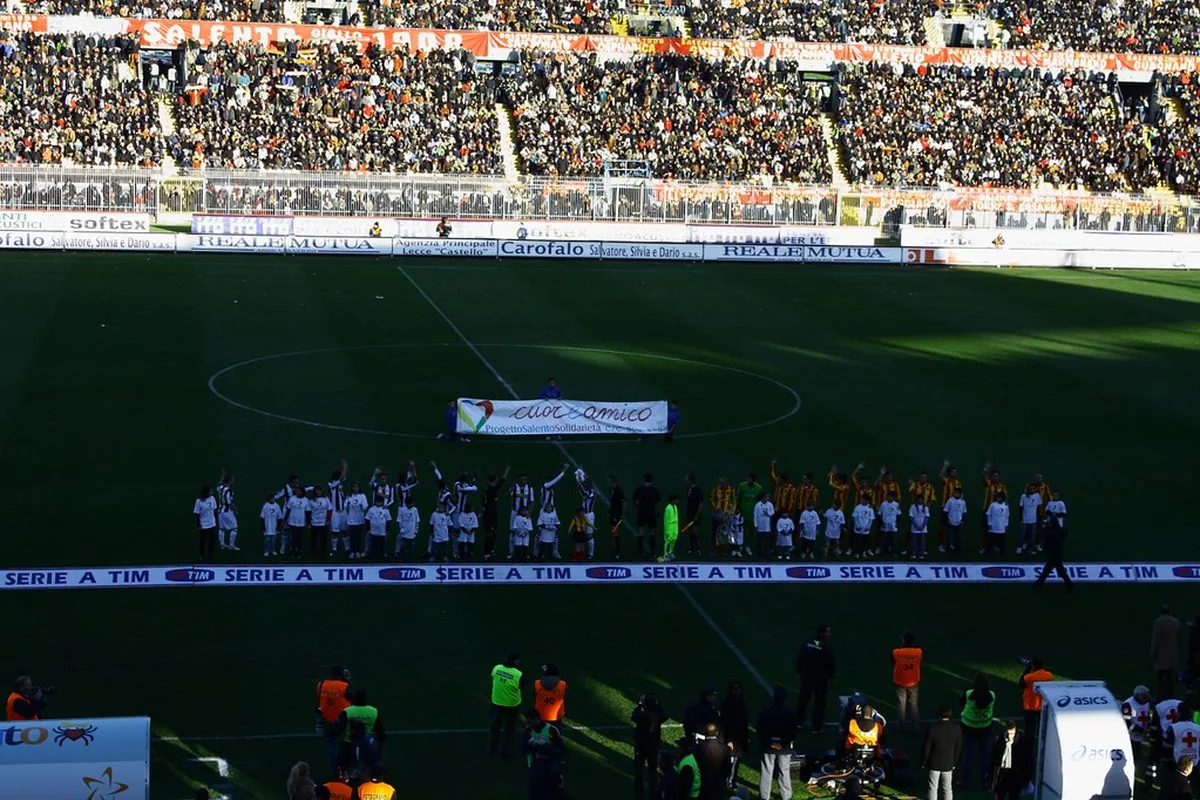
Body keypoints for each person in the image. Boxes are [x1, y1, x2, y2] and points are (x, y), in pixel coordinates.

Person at [757, 686, 798, 800]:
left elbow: (760, 730)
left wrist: (770, 742)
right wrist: (782, 743)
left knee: (766, 770)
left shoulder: (766, 712)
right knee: (784, 771)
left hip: (768, 747)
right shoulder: (789, 713)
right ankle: (786, 796)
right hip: (784, 748)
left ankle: (764, 796)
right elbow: (793, 732)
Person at [796, 624, 836, 734]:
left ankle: (799, 721)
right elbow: (830, 663)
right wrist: (832, 676)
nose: (829, 634)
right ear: (822, 633)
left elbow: (801, 657)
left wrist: (798, 671)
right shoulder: (826, 647)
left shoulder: (808, 642)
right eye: (827, 632)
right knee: (820, 702)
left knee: (803, 699)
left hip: (807, 676)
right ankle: (817, 726)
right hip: (820, 678)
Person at [960, 673, 996, 789]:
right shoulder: (991, 695)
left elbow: (961, 703)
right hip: (985, 728)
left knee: (968, 755)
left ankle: (965, 781)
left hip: (969, 727)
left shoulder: (969, 694)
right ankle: (986, 780)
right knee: (985, 755)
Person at [335, 687, 386, 768]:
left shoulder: (347, 711)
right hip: (367, 744)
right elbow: (380, 733)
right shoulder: (373, 711)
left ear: (354, 698)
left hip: (349, 744)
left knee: (341, 767)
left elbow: (339, 729)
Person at [632, 693, 669, 800]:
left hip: (641, 746)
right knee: (653, 772)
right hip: (653, 746)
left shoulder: (641, 715)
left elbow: (634, 716)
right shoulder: (657, 716)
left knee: (639, 773)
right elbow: (665, 715)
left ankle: (639, 795)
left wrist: (640, 704)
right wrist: (658, 705)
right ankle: (653, 795)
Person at [489, 653, 526, 758]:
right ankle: (505, 751)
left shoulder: (496, 668)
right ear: (516, 661)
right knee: (509, 729)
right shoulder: (518, 674)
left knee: (495, 727)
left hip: (497, 703)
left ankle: (492, 749)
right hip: (511, 706)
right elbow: (523, 685)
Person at [316, 666, 352, 773]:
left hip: (328, 719)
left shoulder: (321, 685)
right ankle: (346, 770)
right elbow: (354, 697)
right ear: (342, 675)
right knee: (347, 745)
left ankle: (335, 771)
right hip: (343, 719)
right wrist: (348, 681)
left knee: (332, 746)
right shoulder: (345, 686)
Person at [923, 704, 962, 800]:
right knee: (947, 788)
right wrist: (954, 762)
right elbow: (958, 748)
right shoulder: (956, 729)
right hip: (948, 763)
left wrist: (924, 762)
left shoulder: (933, 728)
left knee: (933, 787)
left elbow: (927, 748)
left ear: (939, 714)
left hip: (934, 763)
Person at [1033, 502, 1072, 592]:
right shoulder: (1060, 532)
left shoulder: (1049, 533)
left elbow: (1042, 534)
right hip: (1058, 555)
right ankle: (1070, 587)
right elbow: (1064, 531)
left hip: (1052, 556)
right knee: (1060, 573)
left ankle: (1038, 586)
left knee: (1046, 572)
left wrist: (1045, 526)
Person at [989, 722, 1032, 800]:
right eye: (1008, 733)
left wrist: (1026, 778)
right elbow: (994, 758)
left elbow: (1028, 761)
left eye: (1012, 734)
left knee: (1013, 795)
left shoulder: (1022, 743)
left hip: (1016, 773)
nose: (1009, 736)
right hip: (1002, 773)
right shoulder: (1000, 741)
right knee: (1000, 794)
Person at [720, 681, 749, 787]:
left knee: (736, 760)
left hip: (739, 738)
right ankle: (729, 782)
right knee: (731, 761)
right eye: (735, 689)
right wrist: (728, 740)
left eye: (739, 688)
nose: (738, 691)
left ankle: (732, 781)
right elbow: (724, 723)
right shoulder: (727, 703)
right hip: (732, 738)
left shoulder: (741, 701)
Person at [893, 633, 922, 731]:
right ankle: (916, 726)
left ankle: (901, 726)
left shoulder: (897, 652)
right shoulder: (918, 652)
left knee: (901, 704)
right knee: (913, 704)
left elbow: (893, 659)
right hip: (913, 681)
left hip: (900, 681)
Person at [695, 722, 732, 800]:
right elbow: (727, 767)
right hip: (719, 784)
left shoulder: (699, 748)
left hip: (704, 783)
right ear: (717, 733)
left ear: (705, 733)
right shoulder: (724, 748)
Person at [1154, 606, 1182, 702]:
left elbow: (1156, 639)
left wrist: (1153, 653)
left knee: (1161, 677)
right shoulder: (1176, 622)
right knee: (1170, 676)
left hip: (1161, 653)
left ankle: (1160, 695)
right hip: (1172, 653)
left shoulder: (1158, 622)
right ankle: (1170, 695)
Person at [482, 467, 510, 561]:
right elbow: (501, 482)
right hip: (490, 515)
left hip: (491, 514)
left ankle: (491, 549)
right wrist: (506, 471)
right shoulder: (491, 490)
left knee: (493, 533)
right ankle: (486, 552)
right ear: (495, 479)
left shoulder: (488, 488)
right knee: (489, 534)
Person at [1020, 658, 1053, 739]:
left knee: (1029, 729)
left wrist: (1026, 670)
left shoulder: (1029, 677)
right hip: (1042, 705)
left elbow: (1021, 683)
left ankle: (1029, 745)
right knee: (1042, 727)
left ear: (1034, 665)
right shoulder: (1049, 675)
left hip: (1030, 705)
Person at [1123, 685, 1153, 767]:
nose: (1145, 698)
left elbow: (1147, 717)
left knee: (1138, 757)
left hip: (1141, 735)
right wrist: (1139, 729)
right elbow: (1126, 722)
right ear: (1137, 695)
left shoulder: (1146, 703)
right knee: (1133, 757)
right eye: (1144, 696)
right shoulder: (1128, 704)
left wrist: (1148, 726)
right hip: (1131, 736)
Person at [633, 473, 662, 559]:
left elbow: (636, 501)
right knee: (652, 532)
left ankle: (640, 553)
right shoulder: (654, 490)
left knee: (641, 531)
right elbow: (658, 502)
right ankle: (653, 553)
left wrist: (639, 504)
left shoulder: (640, 489)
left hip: (642, 512)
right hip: (651, 513)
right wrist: (658, 512)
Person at [709, 477, 736, 557]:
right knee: (715, 532)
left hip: (726, 515)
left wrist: (731, 512)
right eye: (721, 483)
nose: (722, 484)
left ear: (726, 482)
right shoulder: (715, 490)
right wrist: (716, 508)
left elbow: (734, 501)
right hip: (717, 515)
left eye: (723, 483)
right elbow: (711, 500)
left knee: (725, 533)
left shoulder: (731, 490)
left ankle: (723, 550)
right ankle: (714, 550)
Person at [736, 473, 765, 545]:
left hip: (753, 513)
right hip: (743, 512)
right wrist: (738, 509)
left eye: (751, 480)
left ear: (754, 480)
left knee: (752, 530)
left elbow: (760, 501)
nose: (749, 481)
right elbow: (738, 498)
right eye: (748, 479)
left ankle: (750, 545)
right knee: (741, 529)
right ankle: (740, 545)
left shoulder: (759, 488)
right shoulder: (742, 486)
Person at [285, 486, 312, 559]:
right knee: (293, 538)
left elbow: (308, 513)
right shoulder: (292, 499)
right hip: (292, 522)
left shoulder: (306, 500)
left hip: (301, 522)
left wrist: (308, 523)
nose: (297, 492)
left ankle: (298, 551)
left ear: (302, 492)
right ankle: (293, 551)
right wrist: (285, 520)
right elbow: (288, 510)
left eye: (299, 491)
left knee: (299, 538)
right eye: (296, 491)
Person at [577, 469, 598, 561]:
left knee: (589, 535)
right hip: (584, 515)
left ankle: (590, 554)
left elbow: (582, 492)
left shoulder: (590, 493)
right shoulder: (591, 491)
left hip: (588, 515)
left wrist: (580, 482)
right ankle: (583, 551)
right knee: (584, 534)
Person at [194, 485, 219, 561]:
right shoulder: (199, 501)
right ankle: (202, 555)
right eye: (210, 491)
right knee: (203, 540)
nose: (212, 492)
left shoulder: (212, 498)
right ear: (206, 492)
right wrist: (198, 524)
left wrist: (216, 520)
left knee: (212, 541)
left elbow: (215, 510)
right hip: (203, 524)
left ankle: (210, 555)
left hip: (212, 523)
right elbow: (197, 513)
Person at [216, 471, 239, 551]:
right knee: (234, 528)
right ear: (230, 481)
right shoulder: (228, 490)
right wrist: (235, 510)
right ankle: (232, 545)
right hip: (227, 511)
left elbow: (218, 485)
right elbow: (229, 503)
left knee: (221, 528)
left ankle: (222, 544)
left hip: (220, 511)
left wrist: (222, 476)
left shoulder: (221, 488)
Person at [1016, 484, 1041, 555]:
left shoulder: (1037, 496)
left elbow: (1038, 508)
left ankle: (1030, 549)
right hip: (1025, 519)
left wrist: (1038, 518)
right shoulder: (1023, 496)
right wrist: (1020, 518)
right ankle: (1019, 548)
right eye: (1030, 488)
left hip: (1033, 520)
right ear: (1028, 489)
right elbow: (1020, 508)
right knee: (1022, 535)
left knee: (1032, 536)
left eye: (1033, 488)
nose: (1032, 490)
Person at [364, 496, 391, 562]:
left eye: (380, 502)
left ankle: (381, 557)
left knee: (382, 544)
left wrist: (387, 530)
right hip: (373, 532)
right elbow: (367, 519)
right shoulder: (371, 509)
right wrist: (368, 529)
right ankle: (373, 557)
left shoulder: (385, 510)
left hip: (382, 532)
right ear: (375, 502)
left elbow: (388, 520)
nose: (379, 503)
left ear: (382, 502)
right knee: (373, 544)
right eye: (377, 502)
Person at [309, 485, 333, 559]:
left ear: (322, 491)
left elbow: (329, 510)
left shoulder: (325, 499)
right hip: (314, 523)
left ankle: (323, 553)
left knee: (324, 539)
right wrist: (309, 522)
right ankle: (313, 553)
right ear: (315, 491)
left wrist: (328, 520)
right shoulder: (311, 500)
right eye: (317, 490)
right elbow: (309, 512)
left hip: (323, 523)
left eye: (320, 490)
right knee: (314, 539)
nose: (318, 492)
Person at [942, 487, 966, 554]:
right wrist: (947, 520)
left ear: (960, 494)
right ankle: (948, 549)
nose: (956, 494)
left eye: (957, 493)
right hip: (951, 522)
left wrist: (962, 521)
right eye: (955, 492)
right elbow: (945, 511)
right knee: (949, 536)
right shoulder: (950, 501)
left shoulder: (963, 502)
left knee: (958, 537)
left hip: (959, 522)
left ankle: (957, 550)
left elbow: (964, 512)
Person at [395, 496, 419, 562]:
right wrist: (401, 529)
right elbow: (399, 520)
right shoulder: (402, 510)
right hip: (404, 532)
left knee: (411, 547)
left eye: (412, 503)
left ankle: (410, 559)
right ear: (406, 503)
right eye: (409, 503)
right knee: (403, 546)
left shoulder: (415, 510)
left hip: (412, 532)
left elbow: (417, 521)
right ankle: (401, 559)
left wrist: (416, 531)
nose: (411, 505)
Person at [984, 492, 1009, 556]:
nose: (998, 498)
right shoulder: (993, 505)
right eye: (997, 497)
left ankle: (1002, 554)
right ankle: (989, 553)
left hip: (1001, 528)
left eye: (999, 497)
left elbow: (1007, 516)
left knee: (1002, 542)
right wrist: (989, 523)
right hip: (993, 528)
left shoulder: (1006, 506)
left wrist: (1006, 525)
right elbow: (988, 514)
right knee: (990, 541)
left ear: (1002, 498)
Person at [609, 474, 627, 559]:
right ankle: (614, 551)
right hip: (613, 514)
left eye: (609, 481)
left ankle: (617, 552)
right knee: (613, 533)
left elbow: (624, 503)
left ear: (613, 482)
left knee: (615, 533)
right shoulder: (612, 490)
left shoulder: (619, 491)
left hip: (616, 515)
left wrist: (622, 514)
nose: (608, 483)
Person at [684, 474, 703, 556]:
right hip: (689, 514)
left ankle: (698, 549)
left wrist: (697, 515)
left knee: (696, 531)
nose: (685, 481)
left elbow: (701, 504)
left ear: (690, 480)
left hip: (695, 515)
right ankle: (691, 548)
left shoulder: (697, 490)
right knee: (691, 531)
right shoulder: (688, 489)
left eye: (686, 479)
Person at [878, 491, 901, 558]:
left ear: (894, 498)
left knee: (894, 539)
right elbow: (879, 514)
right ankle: (885, 552)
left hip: (893, 524)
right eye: (889, 496)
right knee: (885, 539)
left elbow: (899, 514)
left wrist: (897, 523)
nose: (890, 498)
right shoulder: (883, 504)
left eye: (891, 497)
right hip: (885, 524)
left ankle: (894, 552)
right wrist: (882, 523)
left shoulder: (896, 504)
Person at [753, 492, 776, 559]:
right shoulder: (757, 505)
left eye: (768, 497)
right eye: (766, 497)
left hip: (767, 526)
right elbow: (755, 515)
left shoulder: (770, 504)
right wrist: (755, 524)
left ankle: (766, 553)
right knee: (759, 541)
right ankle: (759, 553)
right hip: (760, 525)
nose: (768, 498)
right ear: (763, 497)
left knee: (767, 541)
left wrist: (768, 513)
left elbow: (772, 513)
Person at [260, 493, 282, 559]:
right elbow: (262, 517)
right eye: (272, 498)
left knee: (273, 540)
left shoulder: (277, 506)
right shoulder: (265, 506)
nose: (273, 499)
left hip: (274, 526)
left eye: (274, 498)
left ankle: (273, 550)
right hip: (267, 526)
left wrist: (278, 527)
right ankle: (267, 551)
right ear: (269, 499)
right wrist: (263, 528)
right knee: (267, 540)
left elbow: (279, 517)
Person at [662, 494, 680, 562]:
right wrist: (667, 530)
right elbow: (666, 520)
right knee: (667, 540)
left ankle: (670, 552)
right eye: (676, 500)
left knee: (674, 540)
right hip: (669, 527)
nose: (677, 501)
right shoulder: (668, 508)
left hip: (675, 526)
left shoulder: (675, 506)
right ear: (672, 500)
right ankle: (665, 554)